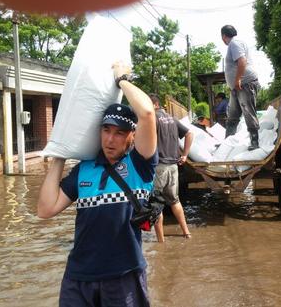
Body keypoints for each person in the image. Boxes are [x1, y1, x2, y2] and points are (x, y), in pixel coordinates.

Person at [37, 62, 157, 307]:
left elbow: (146, 113)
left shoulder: (140, 165)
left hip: (123, 276)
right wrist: (60, 154)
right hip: (78, 277)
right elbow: (45, 210)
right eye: (106, 130)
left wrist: (121, 79)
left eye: (120, 133)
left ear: (132, 136)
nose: (110, 139)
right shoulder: (84, 169)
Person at [150, 94, 193, 242]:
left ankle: (161, 241)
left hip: (159, 168)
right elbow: (189, 133)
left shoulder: (152, 119)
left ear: (154, 104)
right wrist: (185, 155)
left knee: (156, 204)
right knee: (175, 201)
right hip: (173, 167)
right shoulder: (173, 119)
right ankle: (186, 232)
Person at [220, 24, 260, 150]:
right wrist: (233, 84)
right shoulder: (236, 43)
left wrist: (237, 80)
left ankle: (254, 142)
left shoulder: (234, 43)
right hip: (237, 87)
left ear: (223, 36)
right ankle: (226, 143)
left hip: (244, 84)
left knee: (248, 112)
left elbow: (242, 61)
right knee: (232, 116)